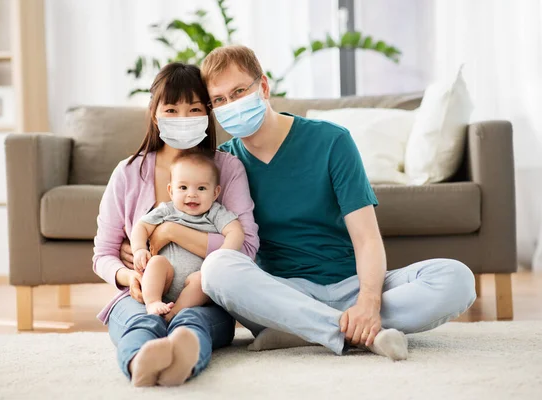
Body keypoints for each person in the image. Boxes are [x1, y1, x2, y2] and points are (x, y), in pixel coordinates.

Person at [196, 45, 477, 359]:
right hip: (283, 293)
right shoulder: (223, 163)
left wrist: (368, 303)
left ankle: (302, 331)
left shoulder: (331, 141)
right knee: (217, 269)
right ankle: (351, 332)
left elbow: (367, 237)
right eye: (219, 100)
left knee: (457, 278)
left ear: (263, 86)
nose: (230, 105)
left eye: (238, 92)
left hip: (351, 285)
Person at [93, 62, 259, 387]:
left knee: (191, 322)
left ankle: (182, 361)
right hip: (140, 294)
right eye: (171, 109)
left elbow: (247, 250)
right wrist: (131, 276)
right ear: (154, 113)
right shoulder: (128, 173)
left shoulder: (228, 169)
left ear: (208, 113)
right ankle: (139, 361)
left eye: (194, 109)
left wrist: (171, 232)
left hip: (203, 296)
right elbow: (103, 254)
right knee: (141, 323)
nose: (183, 119)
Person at [130, 151, 245, 321]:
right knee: (157, 262)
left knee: (203, 279)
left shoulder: (215, 213)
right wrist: (139, 249)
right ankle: (153, 302)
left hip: (194, 283)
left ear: (215, 193)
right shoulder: (167, 210)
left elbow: (236, 232)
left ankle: (175, 311)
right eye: (183, 188)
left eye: (201, 188)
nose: (192, 194)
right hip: (166, 278)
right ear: (171, 190)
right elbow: (141, 227)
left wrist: (222, 258)